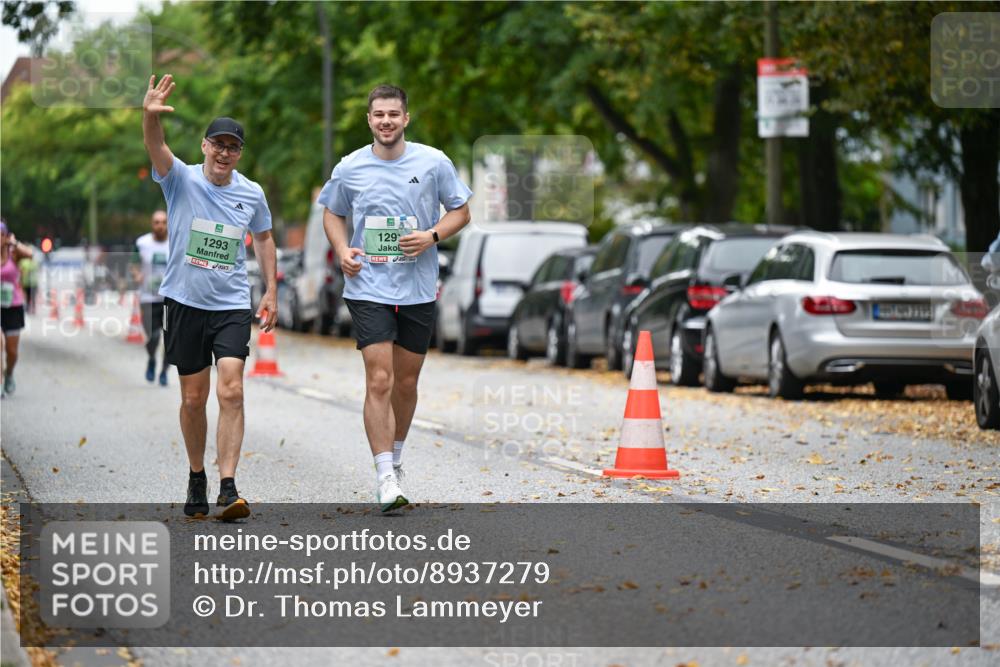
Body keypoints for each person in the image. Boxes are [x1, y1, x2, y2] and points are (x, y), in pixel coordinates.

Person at [319, 84, 472, 512]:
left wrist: (432, 235)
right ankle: (385, 474)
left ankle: (397, 457)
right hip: (368, 285)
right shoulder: (350, 167)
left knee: (406, 382)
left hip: (419, 288)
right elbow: (332, 211)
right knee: (380, 378)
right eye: (378, 114)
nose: (386, 121)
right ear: (368, 120)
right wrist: (342, 249)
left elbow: (461, 210)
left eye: (393, 114)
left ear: (406, 118)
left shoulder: (433, 161)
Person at [142, 74, 278, 521]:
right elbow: (156, 148)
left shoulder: (251, 193)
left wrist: (271, 289)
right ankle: (197, 474)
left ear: (240, 153)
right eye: (217, 144)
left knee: (233, 390)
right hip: (183, 302)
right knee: (194, 400)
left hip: (231, 305)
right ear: (204, 147)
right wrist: (150, 117)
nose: (224, 152)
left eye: (232, 147)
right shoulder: (179, 180)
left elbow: (264, 238)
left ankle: (228, 484)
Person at [131, 210, 171, 385]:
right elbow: (133, 263)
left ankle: (163, 371)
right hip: (147, 298)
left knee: (170, 340)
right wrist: (136, 274)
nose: (160, 225)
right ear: (152, 224)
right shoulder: (142, 243)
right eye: (157, 222)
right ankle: (152, 359)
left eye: (163, 222)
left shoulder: (176, 241)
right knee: (153, 337)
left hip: (170, 300)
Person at [1, 221, 33, 396]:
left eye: (0, 234)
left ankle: (9, 373)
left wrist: (14, 243)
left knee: (11, 352)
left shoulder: (14, 254)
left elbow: (31, 254)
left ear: (5, 236)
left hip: (13, 306)